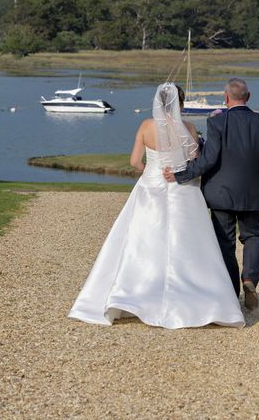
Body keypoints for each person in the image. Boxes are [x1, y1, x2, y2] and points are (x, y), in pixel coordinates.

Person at [68, 83, 245, 329]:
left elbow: (133, 161)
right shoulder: (190, 128)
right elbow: (194, 164)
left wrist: (150, 172)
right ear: (180, 104)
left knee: (142, 242)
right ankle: (202, 300)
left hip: (150, 187)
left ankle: (133, 295)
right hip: (183, 190)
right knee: (190, 244)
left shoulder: (146, 127)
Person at [164, 77, 259, 311]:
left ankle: (230, 293)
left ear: (226, 98)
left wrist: (180, 175)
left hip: (221, 192)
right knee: (252, 237)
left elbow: (208, 160)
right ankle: (249, 279)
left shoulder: (217, 122)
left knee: (225, 242)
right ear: (248, 97)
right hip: (252, 193)